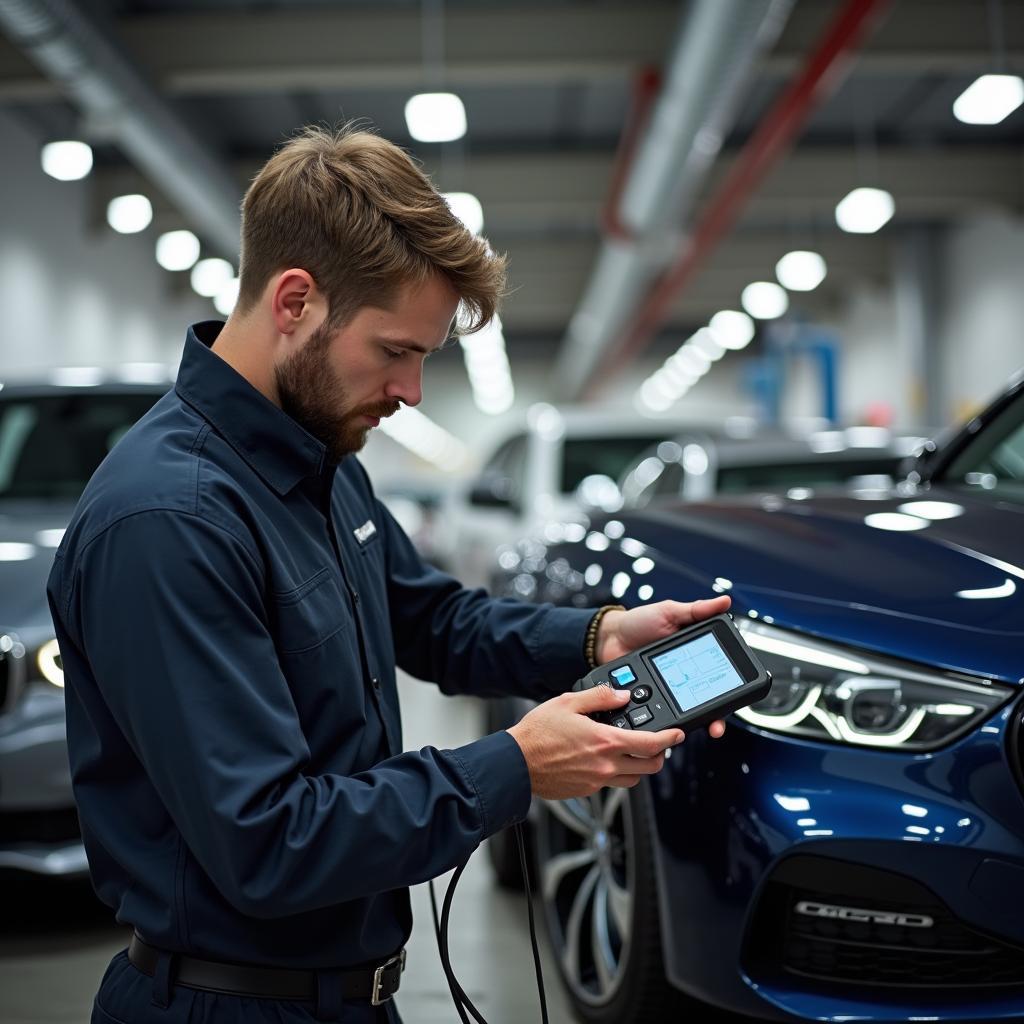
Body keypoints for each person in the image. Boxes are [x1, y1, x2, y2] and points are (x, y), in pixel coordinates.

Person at [47, 125, 729, 1024]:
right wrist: (516, 765)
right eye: (396, 350)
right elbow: (271, 840)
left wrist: (598, 636)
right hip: (228, 1005)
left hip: (353, 994)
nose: (410, 391)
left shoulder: (325, 461)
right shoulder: (172, 522)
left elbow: (431, 621)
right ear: (294, 301)